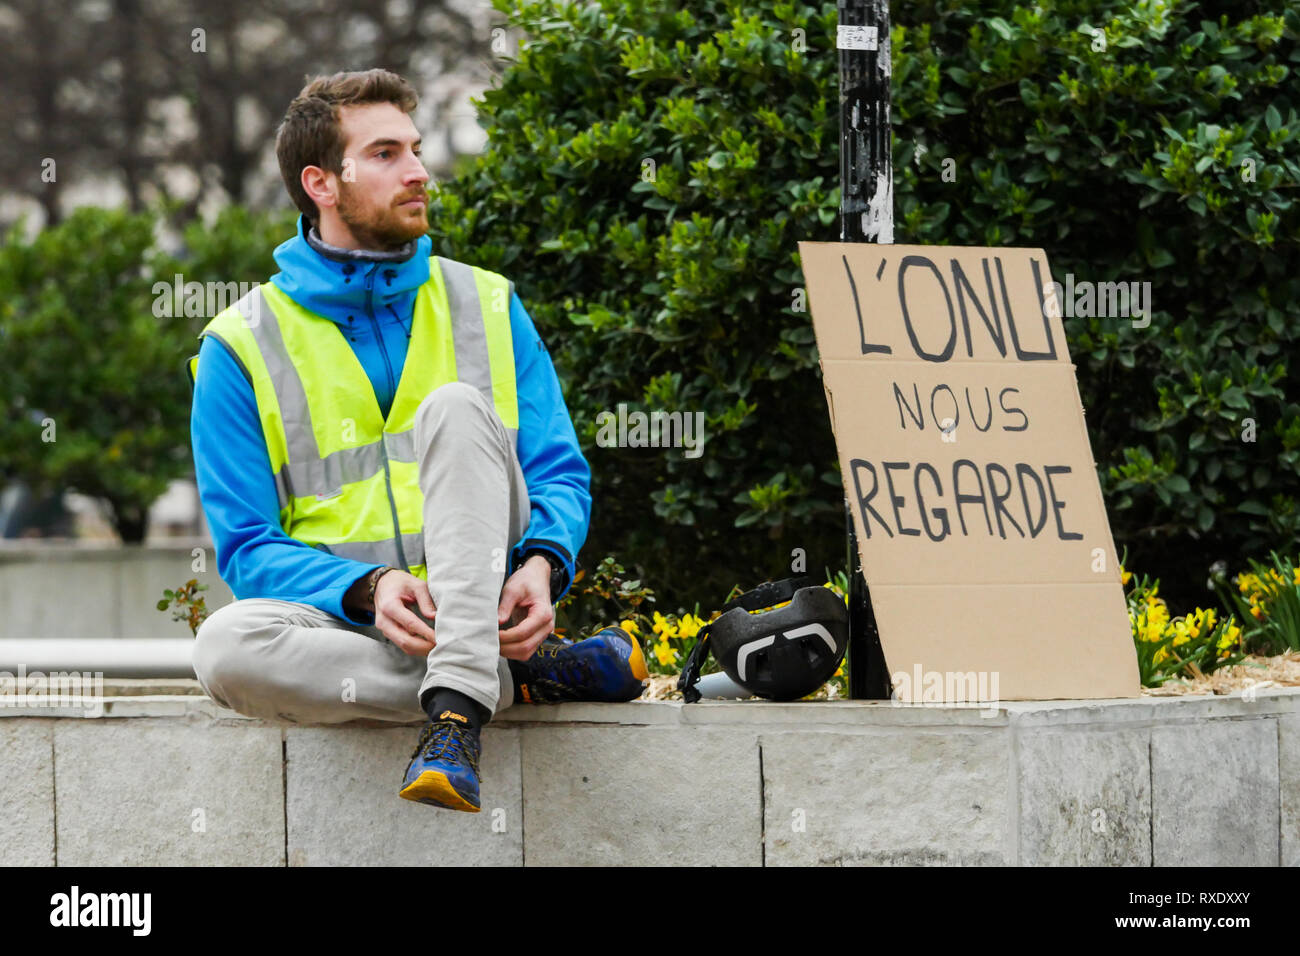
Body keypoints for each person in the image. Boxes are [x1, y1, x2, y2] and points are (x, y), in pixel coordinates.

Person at [187, 69, 648, 814]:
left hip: (488, 598)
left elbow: (558, 471)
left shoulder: (487, 301)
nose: (418, 172)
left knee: (457, 406)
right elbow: (247, 548)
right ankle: (517, 677)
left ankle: (458, 710)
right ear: (320, 183)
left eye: (416, 150)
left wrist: (542, 564)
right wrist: (366, 590)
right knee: (223, 647)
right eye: (385, 154)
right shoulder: (237, 346)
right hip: (352, 624)